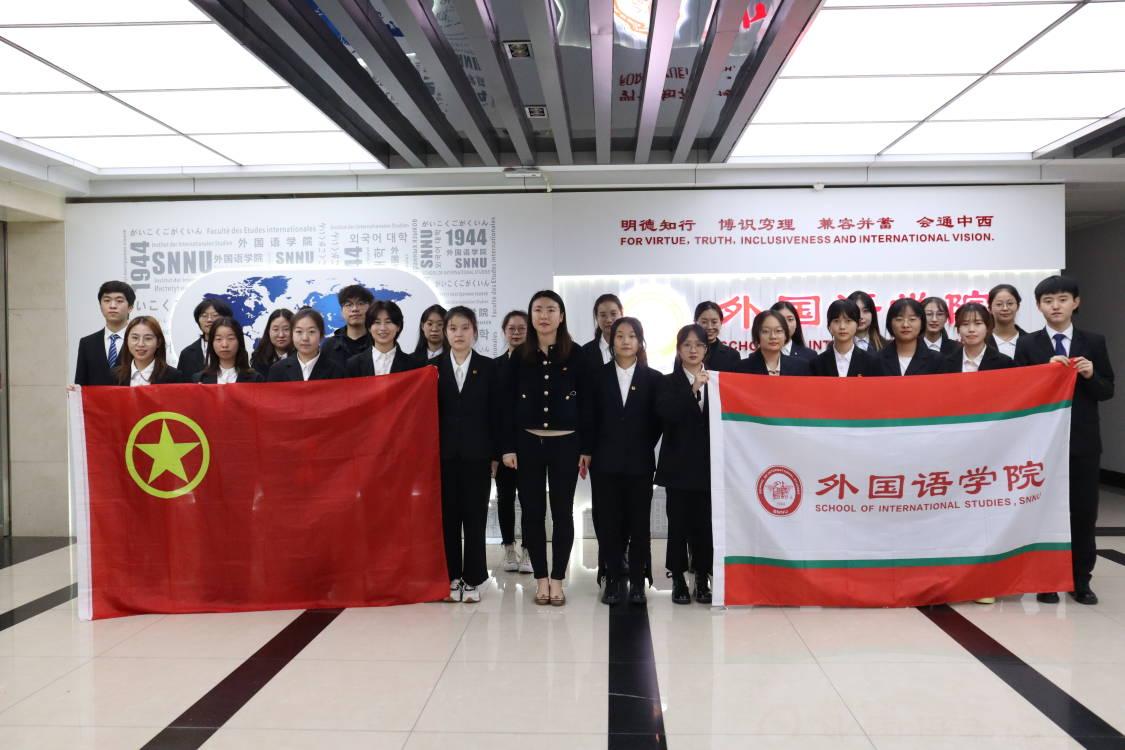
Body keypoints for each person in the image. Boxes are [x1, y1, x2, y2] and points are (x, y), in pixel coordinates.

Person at [1015, 275, 1115, 606]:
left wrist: (1090, 374)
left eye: (1062, 299)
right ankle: (1046, 580)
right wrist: (1044, 373)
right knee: (1043, 511)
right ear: (1038, 306)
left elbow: (1107, 390)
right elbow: (1019, 393)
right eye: (1048, 301)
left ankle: (1080, 580)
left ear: (1076, 302)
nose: (1055, 306)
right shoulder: (1028, 344)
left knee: (1083, 513)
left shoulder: (1094, 341)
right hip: (1041, 445)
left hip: (1083, 442)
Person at [501, 290, 591, 607]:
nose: (544, 315)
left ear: (561, 316)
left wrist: (586, 447)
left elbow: (588, 405)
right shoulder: (519, 356)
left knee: (563, 512)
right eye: (538, 309)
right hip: (528, 443)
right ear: (531, 315)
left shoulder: (578, 355)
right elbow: (506, 405)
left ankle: (558, 579)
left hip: (567, 443)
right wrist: (507, 447)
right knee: (533, 512)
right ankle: (540, 578)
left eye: (551, 309)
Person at [587, 317, 662, 606]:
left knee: (639, 523)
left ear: (640, 341)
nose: (626, 341)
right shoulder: (597, 376)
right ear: (612, 340)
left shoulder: (653, 378)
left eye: (632, 336)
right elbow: (590, 419)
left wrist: (639, 444)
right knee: (608, 522)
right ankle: (614, 578)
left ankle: (639, 581)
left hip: (640, 462)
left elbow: (657, 423)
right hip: (604, 462)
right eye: (620, 336)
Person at [436, 306, 501, 604]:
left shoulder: (489, 368)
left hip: (478, 455)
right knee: (448, 518)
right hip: (443, 456)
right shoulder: (432, 369)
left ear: (475, 331)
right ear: (445, 332)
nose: (458, 334)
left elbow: (497, 414)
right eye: (453, 328)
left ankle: (474, 577)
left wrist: (495, 454)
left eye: (465, 328)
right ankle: (451, 576)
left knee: (475, 517)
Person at [657, 324, 712, 605]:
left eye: (699, 345)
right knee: (677, 524)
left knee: (704, 524)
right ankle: (677, 576)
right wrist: (693, 389)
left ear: (706, 349)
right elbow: (668, 415)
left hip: (707, 466)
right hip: (678, 466)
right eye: (687, 345)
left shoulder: (716, 381)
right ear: (678, 350)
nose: (693, 350)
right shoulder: (666, 382)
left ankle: (702, 577)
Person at [496, 310, 533, 574]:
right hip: (503, 445)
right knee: (505, 498)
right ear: (504, 331)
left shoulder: (537, 364)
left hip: (530, 444)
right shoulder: (494, 366)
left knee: (531, 500)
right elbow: (492, 411)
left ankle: (529, 551)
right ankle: (509, 548)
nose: (517, 333)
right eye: (512, 328)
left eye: (522, 328)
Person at [75, 280, 135, 386]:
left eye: (119, 301)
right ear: (100, 306)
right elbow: (81, 384)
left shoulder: (140, 342)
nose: (112, 306)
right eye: (107, 300)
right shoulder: (87, 343)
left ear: (130, 307)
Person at [344, 301, 422, 377]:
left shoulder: (414, 365)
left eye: (388, 322)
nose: (383, 328)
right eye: (377, 322)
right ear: (369, 328)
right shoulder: (353, 364)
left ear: (398, 326)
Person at [267, 308, 344, 381]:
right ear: (292, 334)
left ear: (321, 335)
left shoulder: (336, 371)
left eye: (311, 332)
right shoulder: (277, 370)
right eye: (299, 332)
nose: (305, 338)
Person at [811, 298, 880, 377]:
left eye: (848, 321)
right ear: (829, 326)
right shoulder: (817, 363)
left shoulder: (871, 362)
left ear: (857, 325)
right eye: (836, 321)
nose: (842, 327)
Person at [941, 303, 1015, 374]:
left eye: (978, 323)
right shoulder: (945, 363)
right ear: (958, 329)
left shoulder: (1005, 363)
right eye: (965, 324)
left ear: (987, 327)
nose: (971, 329)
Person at [875, 298, 942, 376]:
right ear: (890, 323)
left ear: (922, 323)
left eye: (912, 319)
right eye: (899, 319)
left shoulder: (936, 360)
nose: (905, 325)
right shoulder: (877, 360)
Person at [113, 316, 184, 386]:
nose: (140, 344)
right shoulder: (114, 376)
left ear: (158, 342)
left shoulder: (174, 377)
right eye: (135, 338)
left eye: (148, 338)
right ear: (127, 340)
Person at [736, 310, 811, 376]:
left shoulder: (801, 367)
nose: (773, 336)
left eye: (778, 331)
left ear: (785, 335)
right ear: (757, 335)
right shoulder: (741, 368)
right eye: (766, 331)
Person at [195, 317, 264, 384]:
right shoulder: (200, 379)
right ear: (211, 343)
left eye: (230, 338)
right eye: (219, 339)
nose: (224, 345)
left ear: (239, 341)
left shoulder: (255, 379)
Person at [177, 299, 234, 378]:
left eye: (215, 315)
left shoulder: (235, 350)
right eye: (204, 316)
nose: (209, 320)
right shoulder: (187, 354)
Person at [321, 285, 374, 370]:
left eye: (360, 303)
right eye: (349, 304)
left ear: (370, 309)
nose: (355, 309)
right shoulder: (329, 346)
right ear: (341, 311)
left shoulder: (379, 343)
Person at [695, 301, 742, 371]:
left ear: (721, 323)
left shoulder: (732, 355)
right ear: (695, 323)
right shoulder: (686, 352)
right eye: (704, 322)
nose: (709, 327)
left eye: (714, 322)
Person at [581, 293, 623, 369]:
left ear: (621, 314)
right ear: (597, 318)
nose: (609, 320)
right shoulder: (584, 352)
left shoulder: (633, 348)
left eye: (613, 314)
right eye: (603, 315)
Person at [250, 309, 294, 378]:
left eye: (286, 329)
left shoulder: (302, 357)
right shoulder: (258, 357)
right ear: (268, 331)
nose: (281, 335)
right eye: (275, 329)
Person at [986, 284, 1027, 358]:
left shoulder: (1031, 342)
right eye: (999, 304)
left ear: (1018, 306)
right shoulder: (982, 343)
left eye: (1010, 303)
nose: (1005, 308)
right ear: (990, 309)